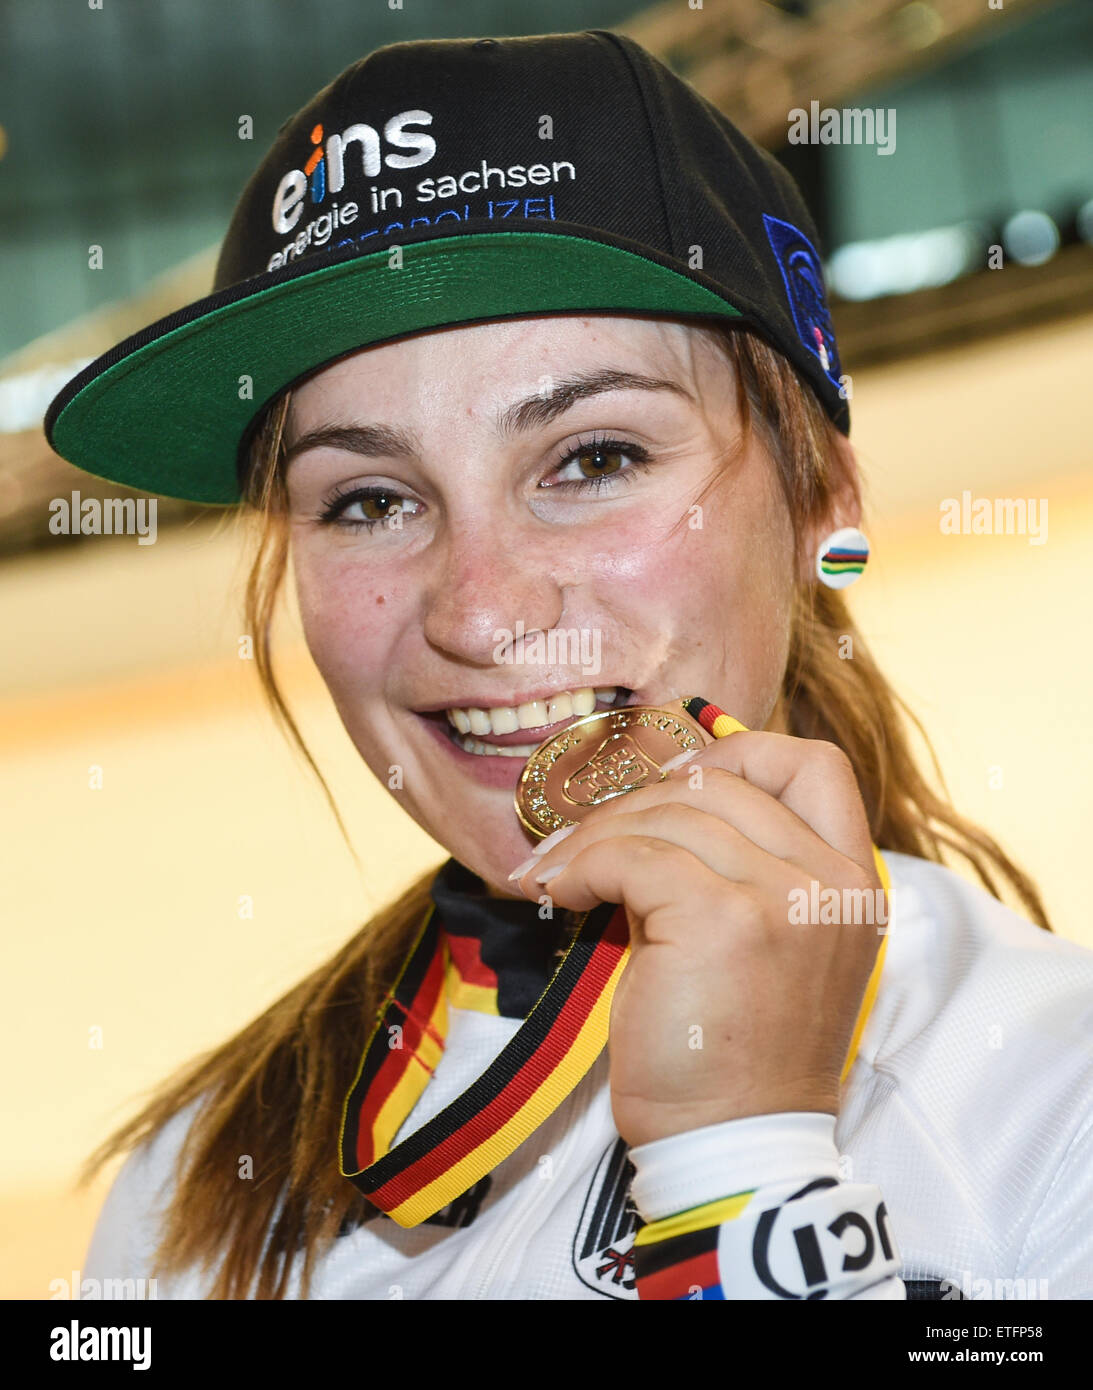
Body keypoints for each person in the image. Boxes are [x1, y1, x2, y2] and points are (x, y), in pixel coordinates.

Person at [46, 31, 1092, 1302]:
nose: (481, 614)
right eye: (370, 500)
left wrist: (742, 1158)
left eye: (593, 458)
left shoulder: (1055, 1108)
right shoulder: (195, 1188)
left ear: (821, 502)